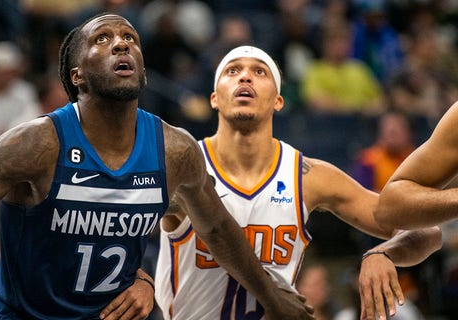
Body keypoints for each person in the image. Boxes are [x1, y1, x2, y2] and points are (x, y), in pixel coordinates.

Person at [0, 14, 315, 320]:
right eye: (102, 39)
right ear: (77, 76)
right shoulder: (35, 144)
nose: (122, 43)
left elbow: (218, 231)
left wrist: (272, 299)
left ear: (143, 71)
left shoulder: (174, 150)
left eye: (130, 38)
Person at [154, 45, 442, 320]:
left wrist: (384, 252)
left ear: (278, 100)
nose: (245, 76)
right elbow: (120, 212)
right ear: (214, 97)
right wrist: (139, 276)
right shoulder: (184, 165)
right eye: (232, 71)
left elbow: (426, 229)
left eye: (260, 72)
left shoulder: (309, 176)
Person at [376, 101, 458, 230]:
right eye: (388, 129)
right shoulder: (369, 159)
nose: (392, 133)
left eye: (397, 129)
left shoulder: (410, 153)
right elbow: (388, 207)